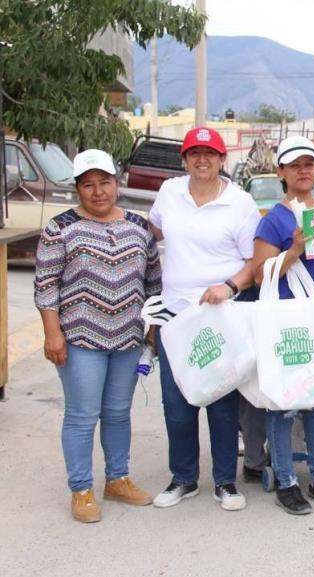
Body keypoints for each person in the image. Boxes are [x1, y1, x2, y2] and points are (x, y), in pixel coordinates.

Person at [34, 149, 162, 523]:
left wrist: (151, 329)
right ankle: (81, 488)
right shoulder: (60, 229)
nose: (98, 191)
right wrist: (52, 333)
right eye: (88, 184)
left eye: (104, 182)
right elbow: (45, 286)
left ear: (116, 182)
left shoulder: (139, 227)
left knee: (118, 413)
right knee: (82, 415)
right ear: (78, 188)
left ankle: (118, 479)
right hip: (80, 340)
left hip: (127, 339)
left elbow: (153, 281)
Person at [149, 127, 259, 511]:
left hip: (219, 315)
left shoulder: (240, 202)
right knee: (177, 402)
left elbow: (254, 262)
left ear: (221, 159)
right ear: (184, 159)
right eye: (194, 153)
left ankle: (226, 481)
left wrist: (229, 286)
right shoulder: (169, 193)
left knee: (220, 400)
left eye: (209, 153)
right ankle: (183, 478)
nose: (202, 160)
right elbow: (155, 232)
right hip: (175, 316)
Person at [252, 136, 314, 515]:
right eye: (294, 165)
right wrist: (294, 249)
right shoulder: (274, 219)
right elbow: (260, 274)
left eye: (309, 164)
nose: (303, 171)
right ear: (281, 171)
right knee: (284, 404)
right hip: (289, 325)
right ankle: (286, 479)